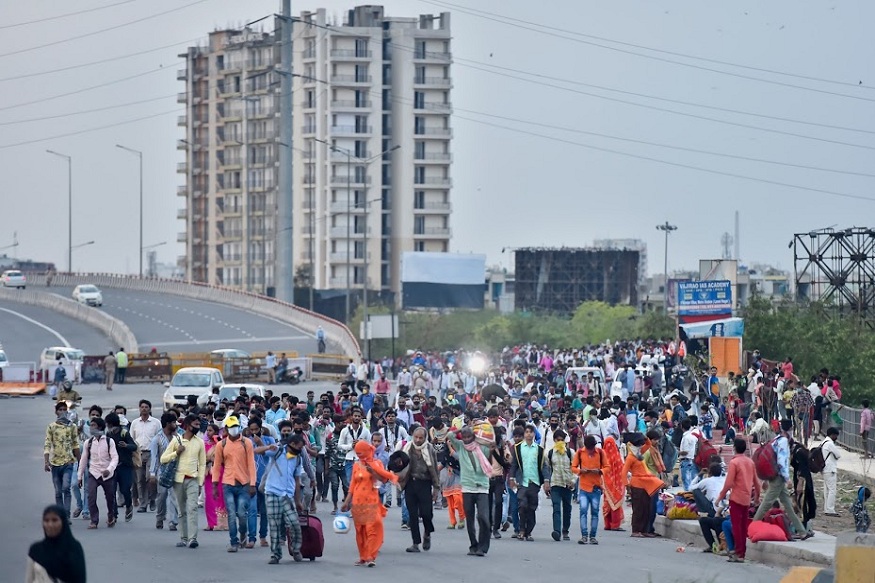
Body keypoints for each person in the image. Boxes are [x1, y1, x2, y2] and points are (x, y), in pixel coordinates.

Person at [340, 440, 399, 567]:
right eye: (358, 453)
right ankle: (363, 556)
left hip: (371, 501)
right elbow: (352, 484)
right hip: (357, 502)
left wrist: (373, 472)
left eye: (361, 453)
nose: (360, 456)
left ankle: (371, 557)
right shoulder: (356, 465)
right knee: (360, 531)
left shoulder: (376, 463)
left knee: (371, 528)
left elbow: (384, 479)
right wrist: (346, 502)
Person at [752, 419, 811, 539]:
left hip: (774, 475)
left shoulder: (776, 439)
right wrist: (787, 478)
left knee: (788, 505)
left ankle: (801, 531)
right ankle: (752, 526)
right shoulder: (783, 441)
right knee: (767, 503)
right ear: (790, 428)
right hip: (778, 477)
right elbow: (781, 461)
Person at [160, 413, 207, 548]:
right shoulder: (177, 441)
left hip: (193, 479)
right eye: (195, 424)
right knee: (181, 510)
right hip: (178, 480)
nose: (198, 427)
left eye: (199, 424)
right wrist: (176, 453)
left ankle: (193, 538)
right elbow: (163, 459)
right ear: (187, 426)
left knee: (192, 508)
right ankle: (184, 537)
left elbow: (202, 464)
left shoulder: (200, 442)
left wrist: (200, 482)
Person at [211, 416, 257, 552]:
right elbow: (217, 465)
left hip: (244, 483)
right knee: (231, 513)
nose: (234, 429)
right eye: (231, 427)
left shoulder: (246, 442)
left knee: (242, 513)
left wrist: (253, 484)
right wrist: (214, 485)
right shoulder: (222, 445)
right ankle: (233, 542)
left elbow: (251, 464)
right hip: (228, 484)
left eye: (235, 426)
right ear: (226, 429)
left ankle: (243, 533)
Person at [447, 426, 494, 556]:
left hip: (482, 486)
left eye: (469, 437)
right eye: (465, 437)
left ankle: (483, 547)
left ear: (474, 436)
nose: (467, 439)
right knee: (470, 518)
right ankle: (473, 545)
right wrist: (460, 430)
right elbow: (450, 435)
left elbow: (490, 452)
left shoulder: (482, 447)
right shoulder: (460, 446)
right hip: (467, 487)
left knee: (483, 517)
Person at [263, 424, 305, 564]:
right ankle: (275, 555)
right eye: (299, 447)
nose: (300, 450)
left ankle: (296, 549)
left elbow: (297, 480)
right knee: (274, 526)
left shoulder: (297, 459)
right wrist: (268, 447)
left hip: (287, 495)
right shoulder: (278, 451)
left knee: (294, 524)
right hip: (272, 492)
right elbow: (258, 451)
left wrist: (298, 500)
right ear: (292, 444)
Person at [718, 438, 761, 563]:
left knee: (736, 527)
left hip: (736, 498)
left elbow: (729, 483)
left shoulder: (734, 462)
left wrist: (720, 497)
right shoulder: (750, 462)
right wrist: (757, 497)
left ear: (734, 448)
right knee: (743, 527)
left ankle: (738, 552)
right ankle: (742, 553)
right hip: (747, 499)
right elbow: (757, 483)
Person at [399, 427, 440, 553]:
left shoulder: (430, 449)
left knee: (426, 513)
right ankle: (415, 543)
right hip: (410, 483)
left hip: (425, 483)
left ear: (425, 438)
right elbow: (399, 466)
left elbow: (434, 468)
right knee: (413, 515)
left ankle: (427, 533)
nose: (417, 440)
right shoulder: (407, 448)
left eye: (420, 438)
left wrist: (436, 488)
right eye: (415, 437)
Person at [508, 425, 551, 541]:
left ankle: (529, 531)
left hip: (534, 482)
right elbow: (514, 466)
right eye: (526, 432)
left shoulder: (539, 450)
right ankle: (521, 530)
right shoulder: (518, 448)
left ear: (534, 434)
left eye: (531, 432)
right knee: (522, 506)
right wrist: (511, 478)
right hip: (522, 482)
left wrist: (546, 481)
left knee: (532, 508)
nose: (528, 434)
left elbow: (543, 467)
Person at [78, 416, 119, 529]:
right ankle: (94, 520)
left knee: (110, 498)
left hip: (107, 474)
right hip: (94, 473)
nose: (91, 428)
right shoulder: (89, 442)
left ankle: (111, 516)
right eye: (90, 425)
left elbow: (115, 458)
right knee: (91, 496)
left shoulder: (109, 441)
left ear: (99, 427)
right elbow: (83, 459)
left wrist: (109, 469)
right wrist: (79, 476)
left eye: (93, 425)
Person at [26, 505, 86, 583]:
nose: (50, 525)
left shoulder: (74, 548)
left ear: (63, 522)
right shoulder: (35, 550)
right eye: (46, 520)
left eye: (54, 520)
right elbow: (29, 579)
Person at [622, 434, 664, 538]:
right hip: (637, 485)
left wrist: (644, 437)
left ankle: (645, 530)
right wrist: (627, 486)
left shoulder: (639, 453)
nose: (642, 446)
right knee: (638, 509)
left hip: (646, 484)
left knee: (647, 508)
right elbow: (623, 473)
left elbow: (648, 444)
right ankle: (636, 530)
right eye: (640, 444)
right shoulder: (631, 457)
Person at [45, 401, 80, 519]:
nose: (62, 412)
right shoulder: (51, 427)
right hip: (55, 463)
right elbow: (47, 444)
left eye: (64, 410)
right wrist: (46, 461)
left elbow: (75, 444)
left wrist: (80, 462)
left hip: (68, 462)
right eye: (60, 410)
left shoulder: (72, 427)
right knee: (58, 492)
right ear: (56, 412)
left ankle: (67, 515)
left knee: (66, 488)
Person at [572, 434, 608, 544]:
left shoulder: (601, 453)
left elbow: (607, 467)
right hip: (584, 486)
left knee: (595, 512)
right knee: (583, 511)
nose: (591, 450)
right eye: (589, 448)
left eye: (592, 448)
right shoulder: (580, 453)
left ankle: (592, 536)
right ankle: (584, 535)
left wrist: (600, 471)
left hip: (596, 487)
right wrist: (580, 471)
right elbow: (573, 467)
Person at [149, 412, 180, 530]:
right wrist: (152, 474)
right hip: (162, 471)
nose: (175, 424)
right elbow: (155, 457)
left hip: (175, 471)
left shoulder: (178, 437)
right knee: (162, 496)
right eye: (173, 422)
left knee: (174, 496)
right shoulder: (157, 439)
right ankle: (160, 517)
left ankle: (173, 521)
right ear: (167, 424)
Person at [130, 399, 160, 514]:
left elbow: (159, 438)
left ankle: (152, 498)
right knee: (140, 479)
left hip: (152, 453)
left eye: (146, 407)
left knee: (150, 478)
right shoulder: (135, 423)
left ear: (150, 409)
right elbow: (132, 439)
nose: (144, 409)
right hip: (138, 453)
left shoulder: (155, 422)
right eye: (142, 407)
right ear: (139, 408)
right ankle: (143, 503)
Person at [600, 436, 626, 531]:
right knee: (615, 503)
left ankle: (607, 524)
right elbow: (621, 470)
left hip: (607, 484)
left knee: (608, 503)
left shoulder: (603, 456)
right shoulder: (617, 456)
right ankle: (615, 525)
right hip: (616, 484)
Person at [822, 426, 842, 516]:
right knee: (832, 490)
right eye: (836, 435)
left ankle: (827, 508)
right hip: (830, 469)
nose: (836, 438)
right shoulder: (830, 443)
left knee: (827, 490)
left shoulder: (824, 442)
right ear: (832, 435)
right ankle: (830, 509)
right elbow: (838, 455)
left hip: (825, 469)